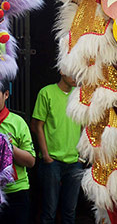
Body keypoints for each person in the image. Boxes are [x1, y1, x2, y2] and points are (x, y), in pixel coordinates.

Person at [31, 74, 82, 224]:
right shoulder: (46, 92)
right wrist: (46, 156)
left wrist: (81, 155)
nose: (75, 75)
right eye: (71, 70)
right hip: (52, 162)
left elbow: (85, 124)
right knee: (49, 211)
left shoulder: (79, 95)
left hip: (74, 161)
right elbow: (36, 125)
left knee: (70, 212)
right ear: (61, 70)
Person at [0, 82, 35, 224]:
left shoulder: (17, 122)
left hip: (15, 192)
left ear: (6, 95)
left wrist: (9, 147)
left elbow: (31, 161)